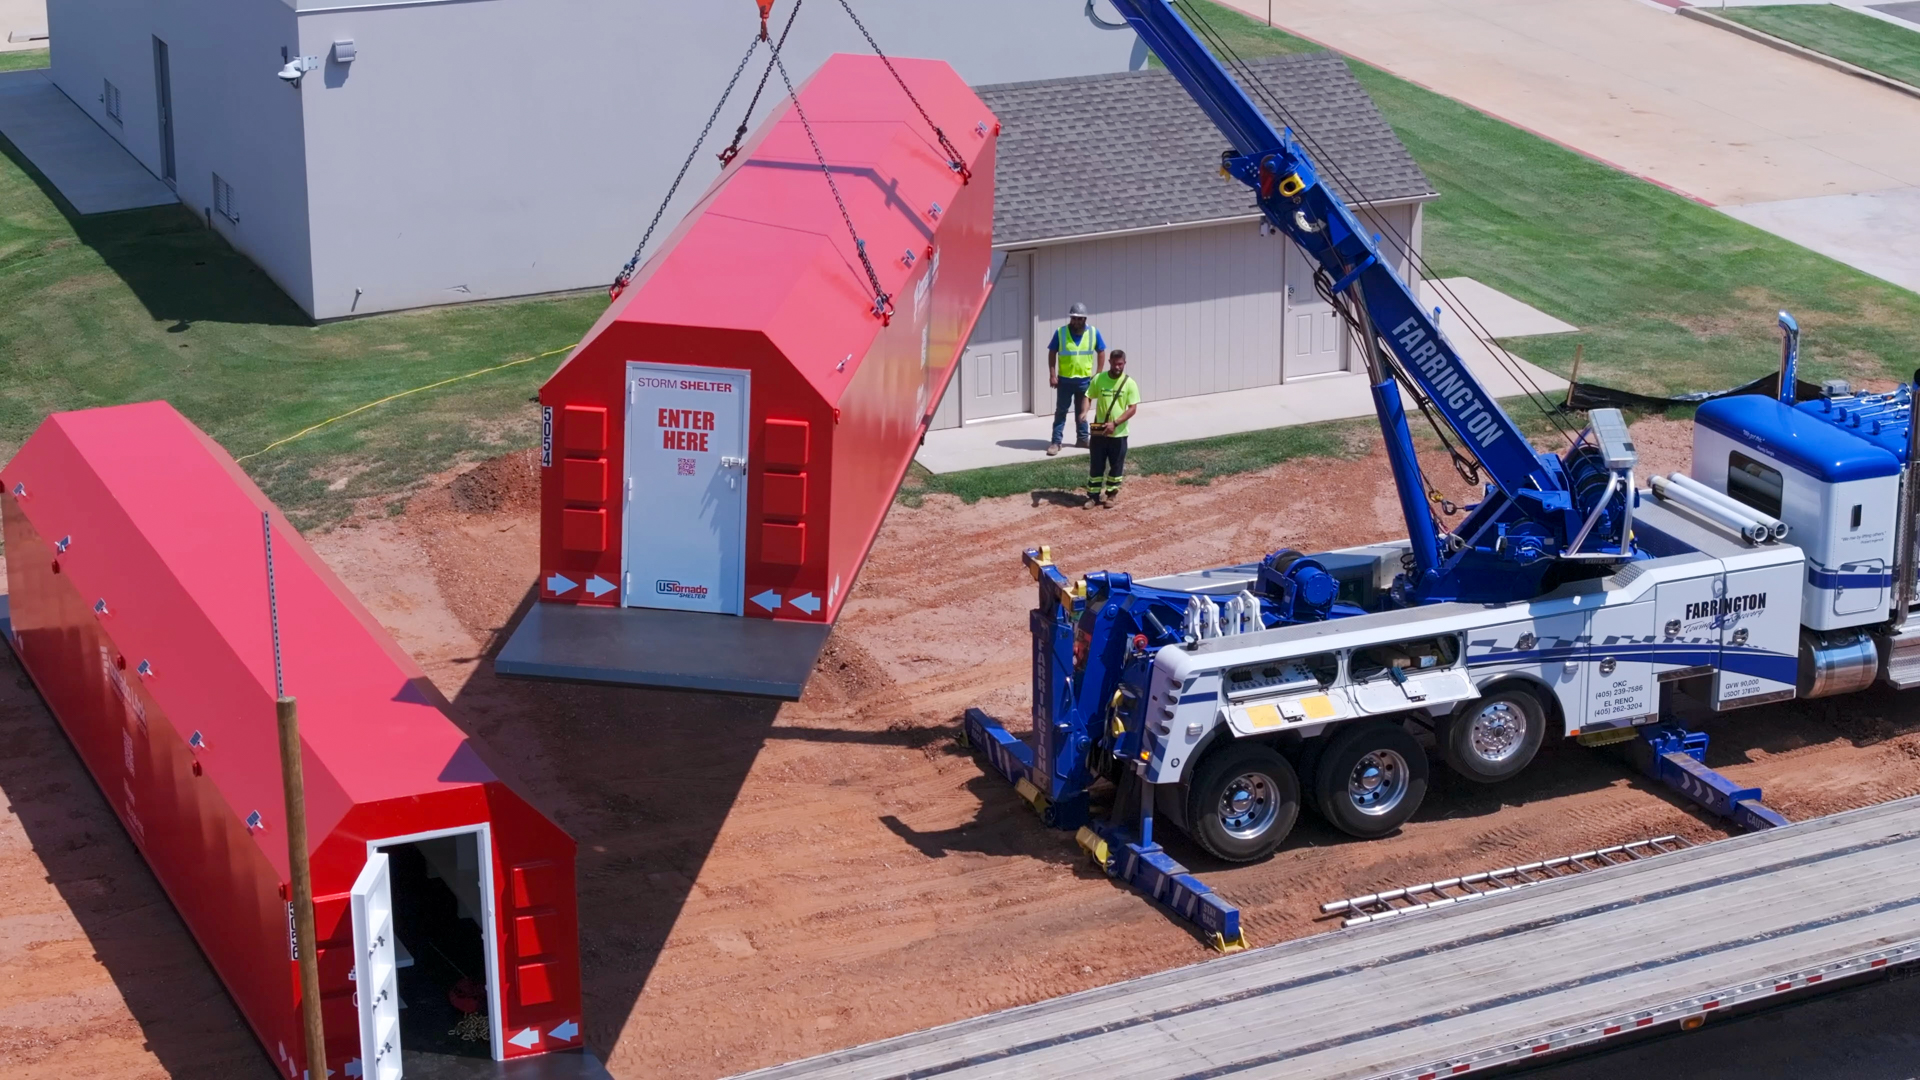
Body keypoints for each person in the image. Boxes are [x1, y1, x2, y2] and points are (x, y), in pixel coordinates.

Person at [1046, 302, 1106, 456]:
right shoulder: (1060, 332)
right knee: (1061, 412)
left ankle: (1083, 439)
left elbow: (1101, 351)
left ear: (1085, 319)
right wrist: (1052, 375)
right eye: (1073, 318)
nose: (1076, 321)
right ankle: (1056, 442)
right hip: (1065, 381)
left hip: (1085, 382)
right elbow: (1052, 352)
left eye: (1079, 318)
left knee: (1082, 412)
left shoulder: (1093, 332)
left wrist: (1098, 374)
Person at [1086, 349, 1140, 507]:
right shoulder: (1099, 379)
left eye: (1120, 364)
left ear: (1124, 363)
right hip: (1099, 431)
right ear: (1109, 362)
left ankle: (1111, 495)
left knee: (1116, 465)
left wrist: (1115, 423)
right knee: (1096, 464)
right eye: (1115, 364)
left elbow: (1132, 408)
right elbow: (1088, 396)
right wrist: (1084, 411)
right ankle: (1093, 496)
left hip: (1119, 433)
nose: (1117, 367)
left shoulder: (1129, 383)